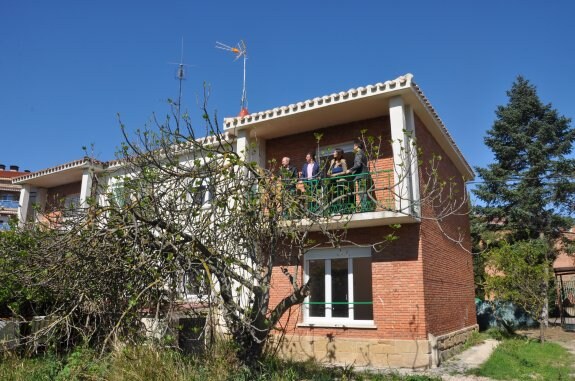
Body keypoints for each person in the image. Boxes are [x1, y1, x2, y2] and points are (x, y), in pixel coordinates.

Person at [346, 140, 372, 211]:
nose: (353, 147)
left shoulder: (358, 153)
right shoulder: (363, 153)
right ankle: (365, 207)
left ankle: (364, 208)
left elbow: (358, 164)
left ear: (357, 146)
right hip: (363, 175)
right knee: (363, 191)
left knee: (361, 192)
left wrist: (350, 170)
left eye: (354, 146)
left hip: (361, 176)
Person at [327, 148, 350, 213]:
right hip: (333, 181)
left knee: (341, 196)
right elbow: (329, 171)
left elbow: (345, 171)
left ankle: (342, 210)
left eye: (334, 152)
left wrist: (336, 175)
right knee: (333, 196)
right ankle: (333, 210)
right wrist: (329, 172)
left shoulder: (342, 161)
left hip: (340, 181)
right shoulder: (332, 161)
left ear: (339, 154)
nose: (333, 154)